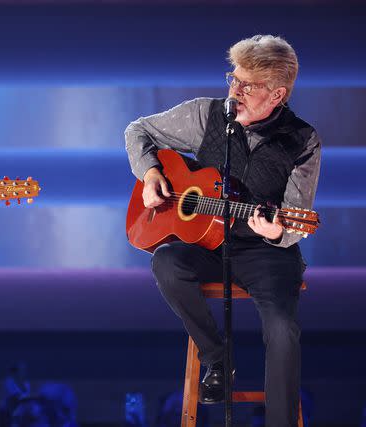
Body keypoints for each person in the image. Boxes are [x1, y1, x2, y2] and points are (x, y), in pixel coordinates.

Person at [124, 35, 321, 426]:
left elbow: (297, 216)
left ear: (278, 94)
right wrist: (149, 174)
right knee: (166, 262)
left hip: (267, 253)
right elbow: (137, 131)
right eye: (234, 78)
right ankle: (217, 358)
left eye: (248, 85)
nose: (235, 90)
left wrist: (276, 231)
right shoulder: (205, 115)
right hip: (208, 246)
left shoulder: (303, 141)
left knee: (282, 331)